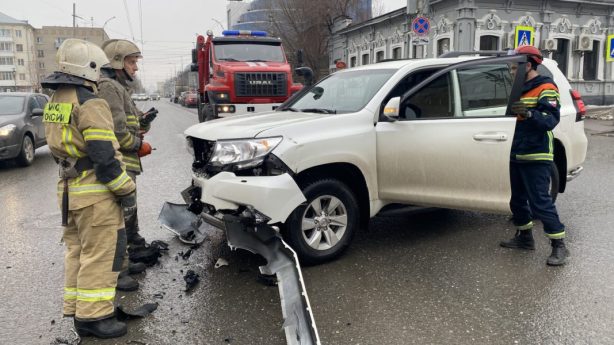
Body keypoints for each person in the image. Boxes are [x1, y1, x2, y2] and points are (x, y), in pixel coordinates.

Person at [42, 38, 136, 338]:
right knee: (101, 255)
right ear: (91, 67)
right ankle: (95, 319)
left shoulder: (56, 99)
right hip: (95, 193)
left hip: (68, 190)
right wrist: (125, 190)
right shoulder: (90, 101)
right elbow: (104, 156)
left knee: (77, 252)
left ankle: (77, 311)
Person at [500, 45, 568, 266]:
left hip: (537, 153)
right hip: (517, 151)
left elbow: (550, 120)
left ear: (527, 65)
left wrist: (529, 113)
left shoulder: (546, 87)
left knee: (540, 203)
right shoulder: (519, 88)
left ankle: (559, 246)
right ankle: (525, 238)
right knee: (517, 201)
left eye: (513, 68)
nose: (511, 72)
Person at [99, 39, 156, 270]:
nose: (136, 67)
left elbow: (131, 123)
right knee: (121, 214)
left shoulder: (120, 88)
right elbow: (117, 132)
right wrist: (137, 144)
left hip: (127, 162)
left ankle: (132, 251)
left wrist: (144, 122)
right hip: (121, 162)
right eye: (132, 62)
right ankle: (118, 268)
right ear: (117, 62)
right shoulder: (109, 87)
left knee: (128, 210)